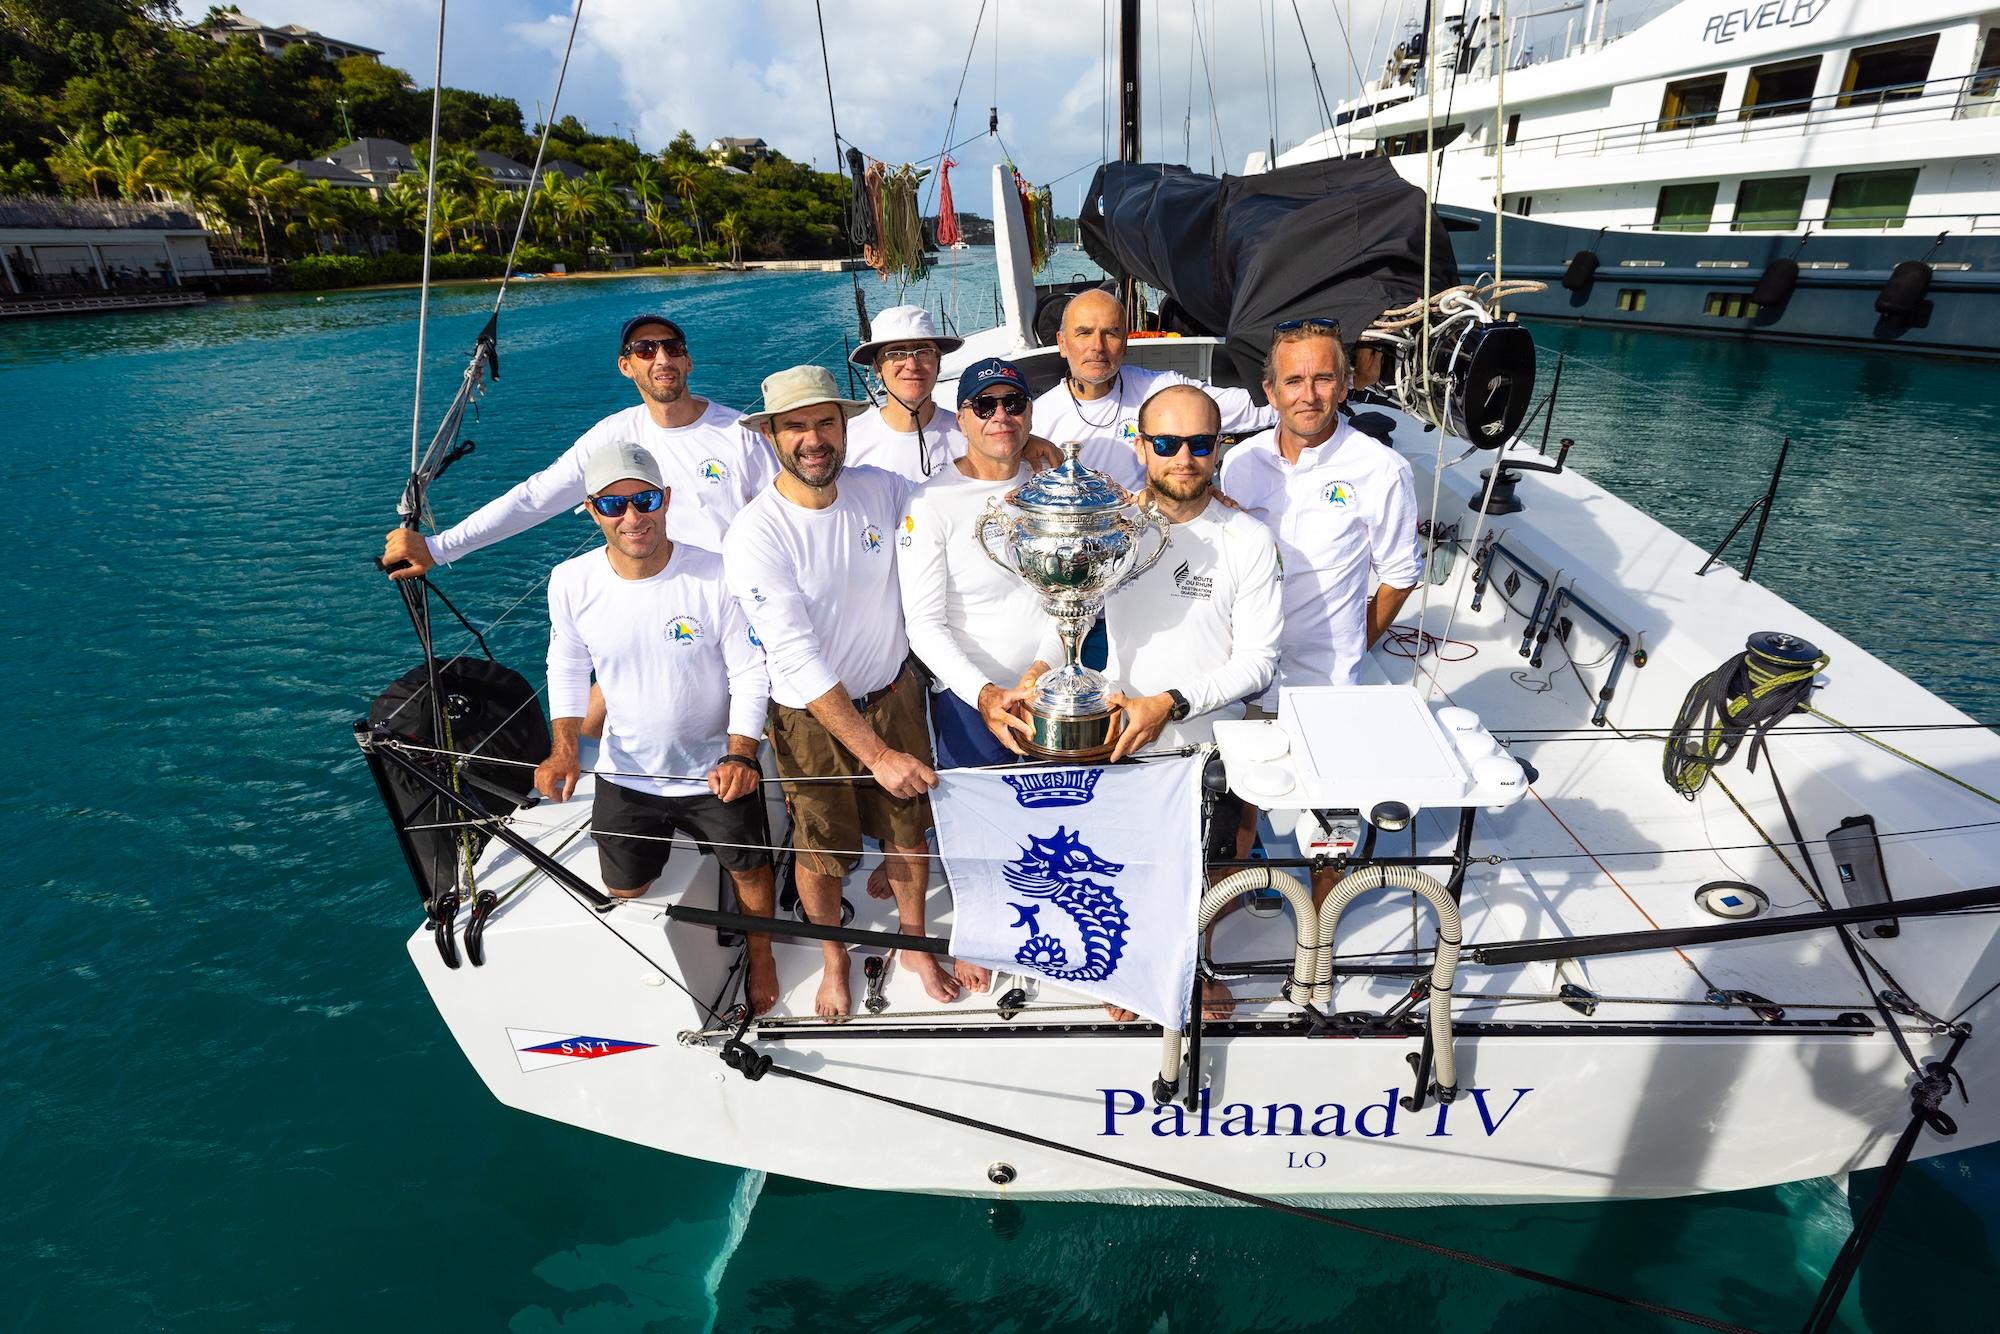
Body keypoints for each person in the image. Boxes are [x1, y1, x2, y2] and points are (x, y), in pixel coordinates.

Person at [722, 365, 987, 1016]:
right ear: (771, 437)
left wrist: (1030, 449)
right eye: (795, 427)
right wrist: (878, 756)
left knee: (907, 832)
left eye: (825, 423)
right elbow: (797, 657)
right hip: (809, 717)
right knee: (822, 851)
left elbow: (957, 497)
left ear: (844, 429)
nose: (813, 439)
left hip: (893, 693)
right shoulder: (755, 534)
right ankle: (834, 957)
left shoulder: (882, 489)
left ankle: (914, 941)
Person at [1026, 384, 1283, 1019]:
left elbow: (1259, 662)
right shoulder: (1109, 528)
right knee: (1122, 865)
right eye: (1166, 443)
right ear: (1141, 447)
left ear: (1220, 447)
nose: (1184, 458)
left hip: (1208, 743)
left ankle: (1197, 961)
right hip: (1118, 736)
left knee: (1213, 864)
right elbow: (1068, 611)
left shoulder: (1248, 539)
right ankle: (1128, 965)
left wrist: (1169, 703)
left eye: (1200, 443)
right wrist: (1037, 672)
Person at [533, 441, 781, 1014]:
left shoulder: (716, 573)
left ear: (666, 499)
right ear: (591, 512)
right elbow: (565, 666)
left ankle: (762, 952)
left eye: (644, 500)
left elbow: (750, 671)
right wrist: (564, 749)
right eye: (612, 505)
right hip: (626, 774)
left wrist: (741, 754)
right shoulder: (570, 581)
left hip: (714, 770)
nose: (632, 517)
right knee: (626, 890)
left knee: (749, 870)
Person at [382, 313, 776, 577]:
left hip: (735, 607)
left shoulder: (740, 433)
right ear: (626, 367)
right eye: (645, 350)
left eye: (672, 348)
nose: (661, 359)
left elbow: (783, 523)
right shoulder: (612, 436)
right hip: (656, 604)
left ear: (688, 362)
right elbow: (535, 498)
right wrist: (439, 548)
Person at [1216, 318, 1422, 696]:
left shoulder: (1382, 470)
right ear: (1271, 391)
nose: (1308, 395)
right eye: (1293, 381)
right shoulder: (1240, 463)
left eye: (1323, 379)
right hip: (1241, 673)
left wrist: (1353, 649)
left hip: (1326, 684)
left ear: (1344, 387)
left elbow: (1400, 577)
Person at [896, 358, 1050, 767]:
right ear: (962, 421)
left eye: (1013, 403)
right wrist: (984, 694)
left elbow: (1075, 597)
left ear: (1029, 413)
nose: (1000, 415)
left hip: (1052, 692)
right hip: (969, 703)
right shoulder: (929, 503)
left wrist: (1042, 669)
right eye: (984, 405)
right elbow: (924, 624)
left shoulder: (1052, 487)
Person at [1031, 288, 1275, 491]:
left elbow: (1249, 408)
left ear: (1125, 344)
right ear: (1062, 343)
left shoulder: (1161, 392)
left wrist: (1292, 400)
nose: (1098, 346)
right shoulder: (1037, 419)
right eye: (1084, 333)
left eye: (1111, 333)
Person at [843, 304, 969, 482]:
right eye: (896, 353)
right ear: (877, 368)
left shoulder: (968, 436)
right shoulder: (848, 443)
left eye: (924, 352)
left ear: (938, 362)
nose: (912, 365)